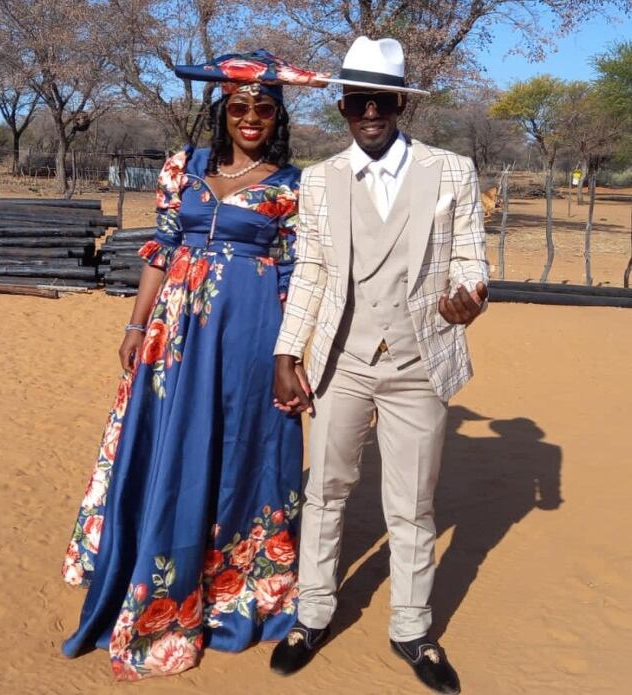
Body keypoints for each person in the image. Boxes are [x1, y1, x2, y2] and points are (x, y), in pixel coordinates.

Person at [60, 51, 327, 681]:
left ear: (277, 116)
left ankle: (233, 582)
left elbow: (295, 273)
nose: (252, 118)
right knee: (166, 443)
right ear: (223, 113)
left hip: (251, 330)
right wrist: (135, 322)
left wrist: (290, 355)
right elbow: (161, 245)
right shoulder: (185, 166)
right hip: (173, 331)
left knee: (240, 446)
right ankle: (146, 561)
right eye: (240, 107)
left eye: (264, 108)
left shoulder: (294, 185)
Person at [269, 37, 489, 694]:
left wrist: (471, 297)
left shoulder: (453, 171)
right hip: (341, 358)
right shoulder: (320, 180)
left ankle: (413, 628)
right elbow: (310, 272)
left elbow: (471, 259)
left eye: (381, 99)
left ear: (400, 102)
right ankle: (312, 615)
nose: (369, 111)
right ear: (342, 106)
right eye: (356, 100)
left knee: (412, 503)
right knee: (326, 490)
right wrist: (287, 351)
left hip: (421, 361)